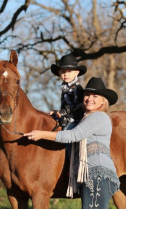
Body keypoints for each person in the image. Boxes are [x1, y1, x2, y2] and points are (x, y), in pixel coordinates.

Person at [25, 77, 120, 209]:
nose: (89, 98)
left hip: (99, 176)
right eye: (87, 95)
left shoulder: (98, 117)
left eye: (95, 96)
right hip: (91, 175)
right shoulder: (87, 118)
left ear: (102, 102)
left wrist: (41, 134)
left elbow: (73, 135)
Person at [48, 54, 87, 130]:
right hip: (65, 119)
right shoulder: (65, 87)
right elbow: (65, 106)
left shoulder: (77, 88)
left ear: (76, 72)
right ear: (59, 73)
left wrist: (63, 112)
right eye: (63, 71)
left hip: (75, 120)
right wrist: (57, 112)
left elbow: (78, 105)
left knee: (66, 136)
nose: (66, 74)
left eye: (69, 71)